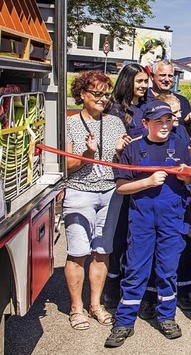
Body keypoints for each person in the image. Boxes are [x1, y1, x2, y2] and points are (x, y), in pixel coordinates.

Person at [105, 101, 191, 348]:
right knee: (135, 269)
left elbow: (189, 180)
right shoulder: (134, 149)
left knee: (167, 269)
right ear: (145, 124)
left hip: (171, 217)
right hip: (142, 219)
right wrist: (148, 182)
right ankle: (124, 322)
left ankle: (166, 317)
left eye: (168, 120)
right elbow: (122, 187)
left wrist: (188, 175)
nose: (165, 126)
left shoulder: (179, 145)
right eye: (158, 121)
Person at [64, 71, 129, 330]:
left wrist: (122, 152)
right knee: (78, 253)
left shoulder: (115, 123)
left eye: (106, 94)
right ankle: (76, 308)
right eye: (97, 93)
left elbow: (121, 162)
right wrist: (87, 154)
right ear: (82, 94)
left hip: (109, 193)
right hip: (80, 192)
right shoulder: (69, 124)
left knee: (102, 252)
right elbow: (66, 166)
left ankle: (96, 305)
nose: (103, 99)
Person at [102, 63, 149, 308]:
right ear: (127, 81)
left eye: (145, 81)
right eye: (139, 81)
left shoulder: (147, 107)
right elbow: (110, 149)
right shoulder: (114, 111)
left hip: (143, 181)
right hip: (121, 180)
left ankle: (132, 288)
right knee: (118, 238)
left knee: (135, 239)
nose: (143, 86)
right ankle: (111, 288)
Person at [148, 60, 191, 138]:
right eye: (162, 75)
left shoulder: (182, 101)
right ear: (152, 77)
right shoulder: (143, 99)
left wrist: (188, 123)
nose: (167, 79)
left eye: (170, 76)